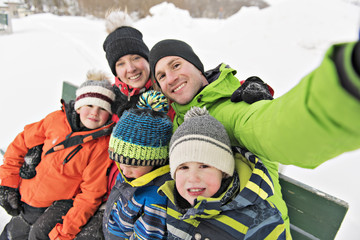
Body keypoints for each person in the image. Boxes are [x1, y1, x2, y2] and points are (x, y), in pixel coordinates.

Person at [149, 39, 360, 234]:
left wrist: (345, 86)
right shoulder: (178, 116)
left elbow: (273, 130)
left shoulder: (229, 111)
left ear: (197, 65)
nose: (171, 78)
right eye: (161, 76)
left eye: (176, 65)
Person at [0, 69, 116, 240]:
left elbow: (91, 192)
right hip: (27, 200)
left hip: (58, 206)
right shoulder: (55, 120)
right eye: (90, 105)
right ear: (79, 105)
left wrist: (67, 230)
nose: (94, 113)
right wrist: (8, 182)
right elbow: (20, 144)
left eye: (102, 108)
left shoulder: (100, 146)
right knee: (11, 234)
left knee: (37, 235)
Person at [159, 106, 287, 239]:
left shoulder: (260, 221)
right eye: (183, 167)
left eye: (204, 166)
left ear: (224, 171)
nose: (192, 178)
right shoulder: (173, 202)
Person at [102, 90, 173, 240]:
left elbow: (147, 236)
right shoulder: (128, 175)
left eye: (134, 166)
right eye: (120, 162)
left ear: (155, 161)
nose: (124, 170)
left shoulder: (156, 197)